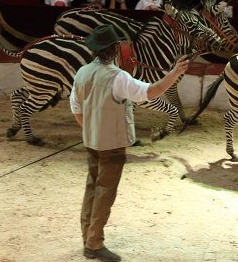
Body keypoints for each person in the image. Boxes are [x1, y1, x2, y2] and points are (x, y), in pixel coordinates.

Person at [70, 24, 190, 261]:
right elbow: (152, 91)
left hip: (92, 142)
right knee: (105, 192)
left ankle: (88, 238)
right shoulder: (118, 77)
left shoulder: (82, 72)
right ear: (115, 49)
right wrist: (175, 73)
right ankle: (94, 243)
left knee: (92, 188)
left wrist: (90, 129)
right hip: (111, 145)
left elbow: (76, 107)